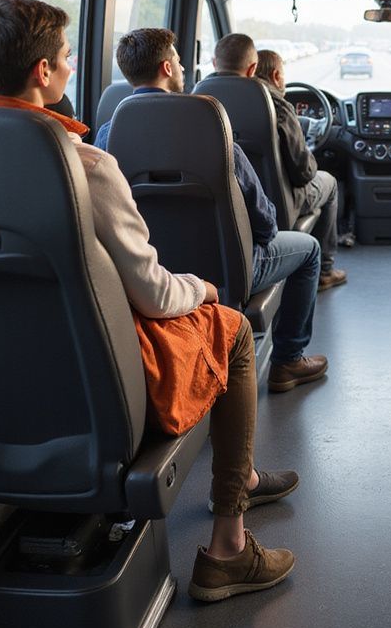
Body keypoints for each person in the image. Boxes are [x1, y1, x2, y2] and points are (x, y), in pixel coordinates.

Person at [0, 0, 297, 603]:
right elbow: (154, 290)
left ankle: (240, 484)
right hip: (98, 382)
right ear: (42, 72)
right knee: (234, 328)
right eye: (65, 56)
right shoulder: (84, 164)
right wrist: (206, 287)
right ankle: (229, 544)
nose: (69, 66)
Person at [98, 28, 328, 394]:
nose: (183, 66)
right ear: (167, 67)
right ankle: (288, 360)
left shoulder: (105, 138)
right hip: (226, 271)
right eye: (177, 59)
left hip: (147, 274)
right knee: (310, 250)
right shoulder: (214, 131)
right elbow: (265, 223)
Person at [254, 47, 347, 291]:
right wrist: (308, 151)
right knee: (330, 182)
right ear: (276, 75)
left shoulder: (221, 106)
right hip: (285, 200)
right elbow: (303, 173)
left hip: (250, 199)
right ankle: (325, 270)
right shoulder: (281, 108)